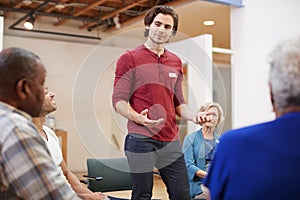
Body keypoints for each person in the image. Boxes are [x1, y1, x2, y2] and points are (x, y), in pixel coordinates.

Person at [112, 5, 212, 200]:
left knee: (182, 194)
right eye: (157, 24)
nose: (161, 29)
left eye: (167, 26)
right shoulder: (129, 57)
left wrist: (194, 115)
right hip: (140, 139)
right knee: (142, 195)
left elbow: (178, 102)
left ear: (172, 32)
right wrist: (135, 117)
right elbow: (118, 100)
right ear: (148, 25)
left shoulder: (175, 61)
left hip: (170, 141)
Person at [204, 36, 300, 200]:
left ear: (272, 93)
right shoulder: (197, 140)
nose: (211, 118)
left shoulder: (232, 145)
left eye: (215, 114)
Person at [0, 47, 79, 199]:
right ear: (23, 88)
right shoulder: (17, 129)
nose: (48, 93)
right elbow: (56, 196)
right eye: (42, 85)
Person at [32, 87, 109, 200]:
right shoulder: (30, 141)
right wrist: (85, 197)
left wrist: (92, 196)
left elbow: (66, 173)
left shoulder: (49, 133)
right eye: (46, 92)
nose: (52, 94)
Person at [182, 102, 224, 200]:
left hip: (216, 182)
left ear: (218, 120)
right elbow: (188, 166)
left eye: (214, 115)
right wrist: (208, 175)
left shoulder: (221, 141)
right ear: (202, 117)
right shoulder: (190, 139)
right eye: (208, 114)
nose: (211, 117)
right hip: (198, 183)